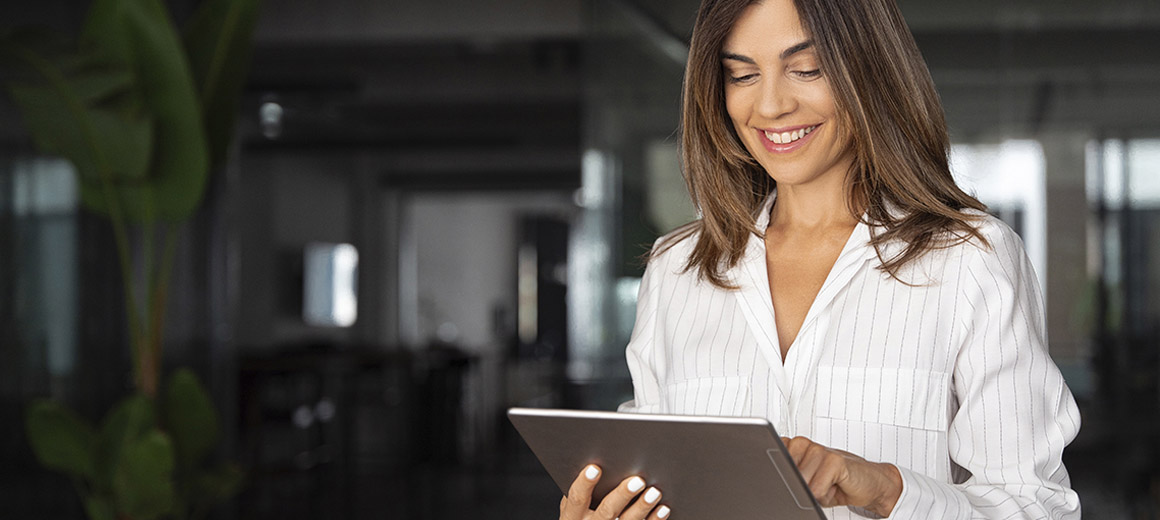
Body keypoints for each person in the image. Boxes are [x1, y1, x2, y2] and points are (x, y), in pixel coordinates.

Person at [557, 0, 1082, 518]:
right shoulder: (677, 270)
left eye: (805, 69)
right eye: (741, 76)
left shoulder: (969, 260)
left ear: (869, 70)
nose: (769, 106)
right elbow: (658, 488)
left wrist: (884, 491)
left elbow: (1036, 507)